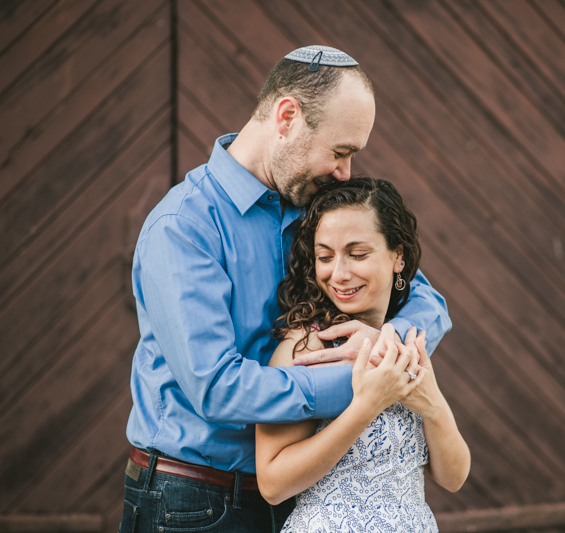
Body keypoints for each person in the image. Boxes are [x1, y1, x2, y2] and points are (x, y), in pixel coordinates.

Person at [119, 45, 452, 533]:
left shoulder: (316, 205)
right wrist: (368, 384)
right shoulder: (183, 227)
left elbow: (426, 301)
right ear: (287, 117)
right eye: (340, 152)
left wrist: (386, 343)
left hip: (304, 501)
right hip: (192, 502)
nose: (346, 173)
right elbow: (218, 388)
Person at [256, 177, 470, 532]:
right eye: (325, 256)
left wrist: (431, 404)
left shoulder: (404, 340)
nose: (338, 274)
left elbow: (453, 477)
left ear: (397, 257)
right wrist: (366, 406)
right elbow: (273, 485)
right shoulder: (309, 347)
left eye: (357, 254)